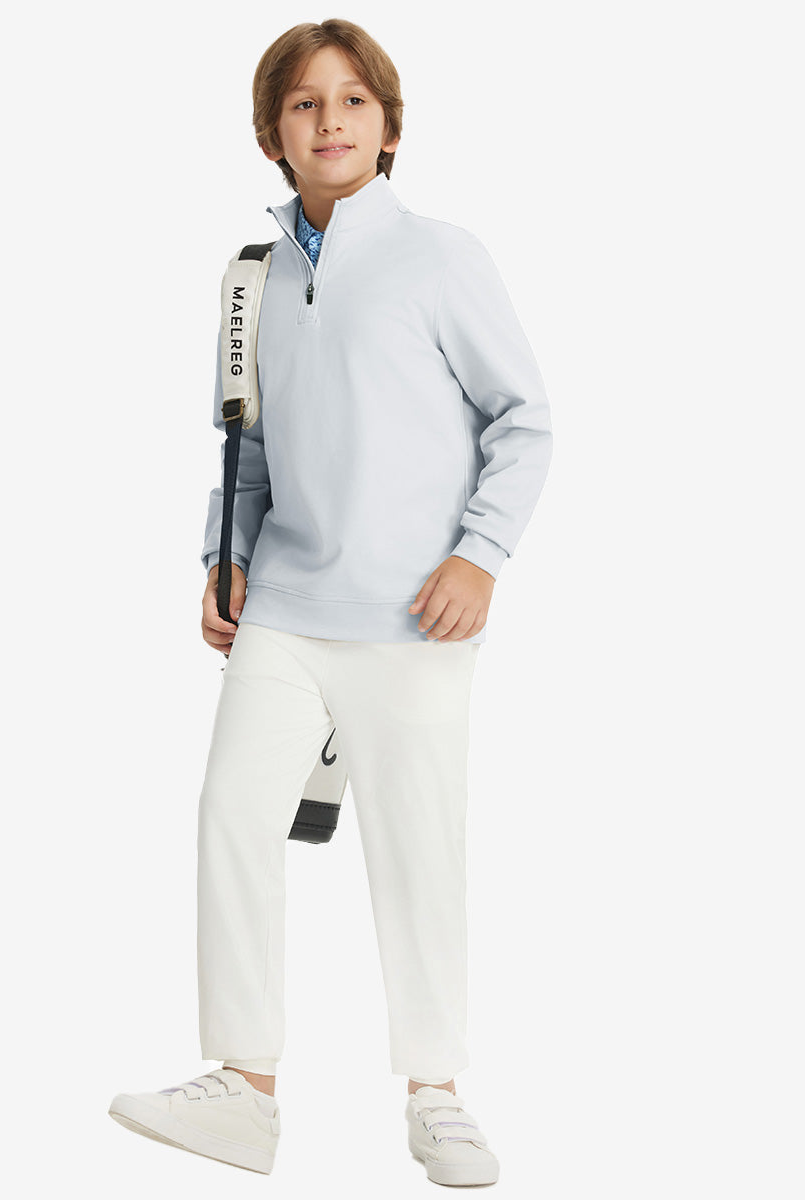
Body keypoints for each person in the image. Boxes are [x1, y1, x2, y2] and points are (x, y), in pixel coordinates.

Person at [108, 18, 553, 1186]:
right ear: (273, 135)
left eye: (353, 99)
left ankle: (436, 1091)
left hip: (414, 615)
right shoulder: (252, 278)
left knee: (417, 848)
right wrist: (224, 558)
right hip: (287, 609)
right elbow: (246, 446)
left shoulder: (441, 258)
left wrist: (481, 555)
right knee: (231, 816)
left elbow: (524, 418)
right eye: (304, 103)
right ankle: (243, 1089)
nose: (331, 120)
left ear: (389, 127)